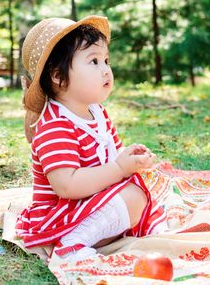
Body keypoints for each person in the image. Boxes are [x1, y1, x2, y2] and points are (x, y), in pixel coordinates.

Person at [15, 16, 166, 262]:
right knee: (131, 196)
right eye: (93, 61)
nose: (106, 69)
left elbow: (113, 153)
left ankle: (141, 226)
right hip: (60, 215)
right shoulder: (55, 125)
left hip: (90, 202)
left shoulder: (97, 112)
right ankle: (72, 245)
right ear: (58, 77)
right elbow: (67, 186)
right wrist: (118, 168)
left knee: (146, 184)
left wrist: (129, 159)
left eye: (106, 60)